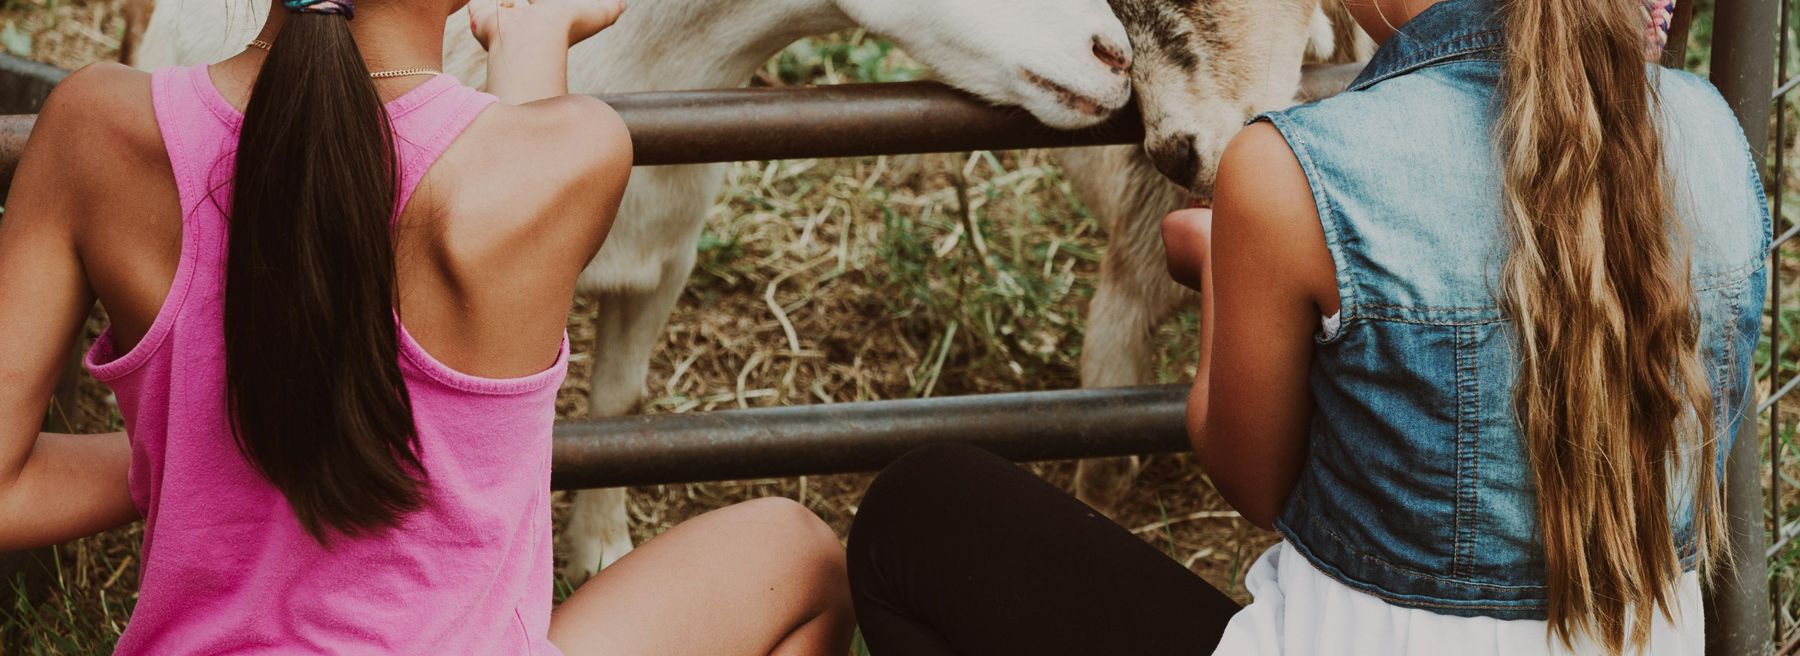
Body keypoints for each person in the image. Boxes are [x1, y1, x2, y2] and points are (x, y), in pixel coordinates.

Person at [845, 0, 1766, 653]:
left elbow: (1252, 480)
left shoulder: (1297, 173)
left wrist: (1239, 270)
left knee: (912, 512)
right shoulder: (1713, 133)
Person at [0, 0, 853, 653]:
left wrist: (197, 445)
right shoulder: (569, 155)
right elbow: (512, 180)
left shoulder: (92, 129)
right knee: (798, 552)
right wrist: (532, 43)